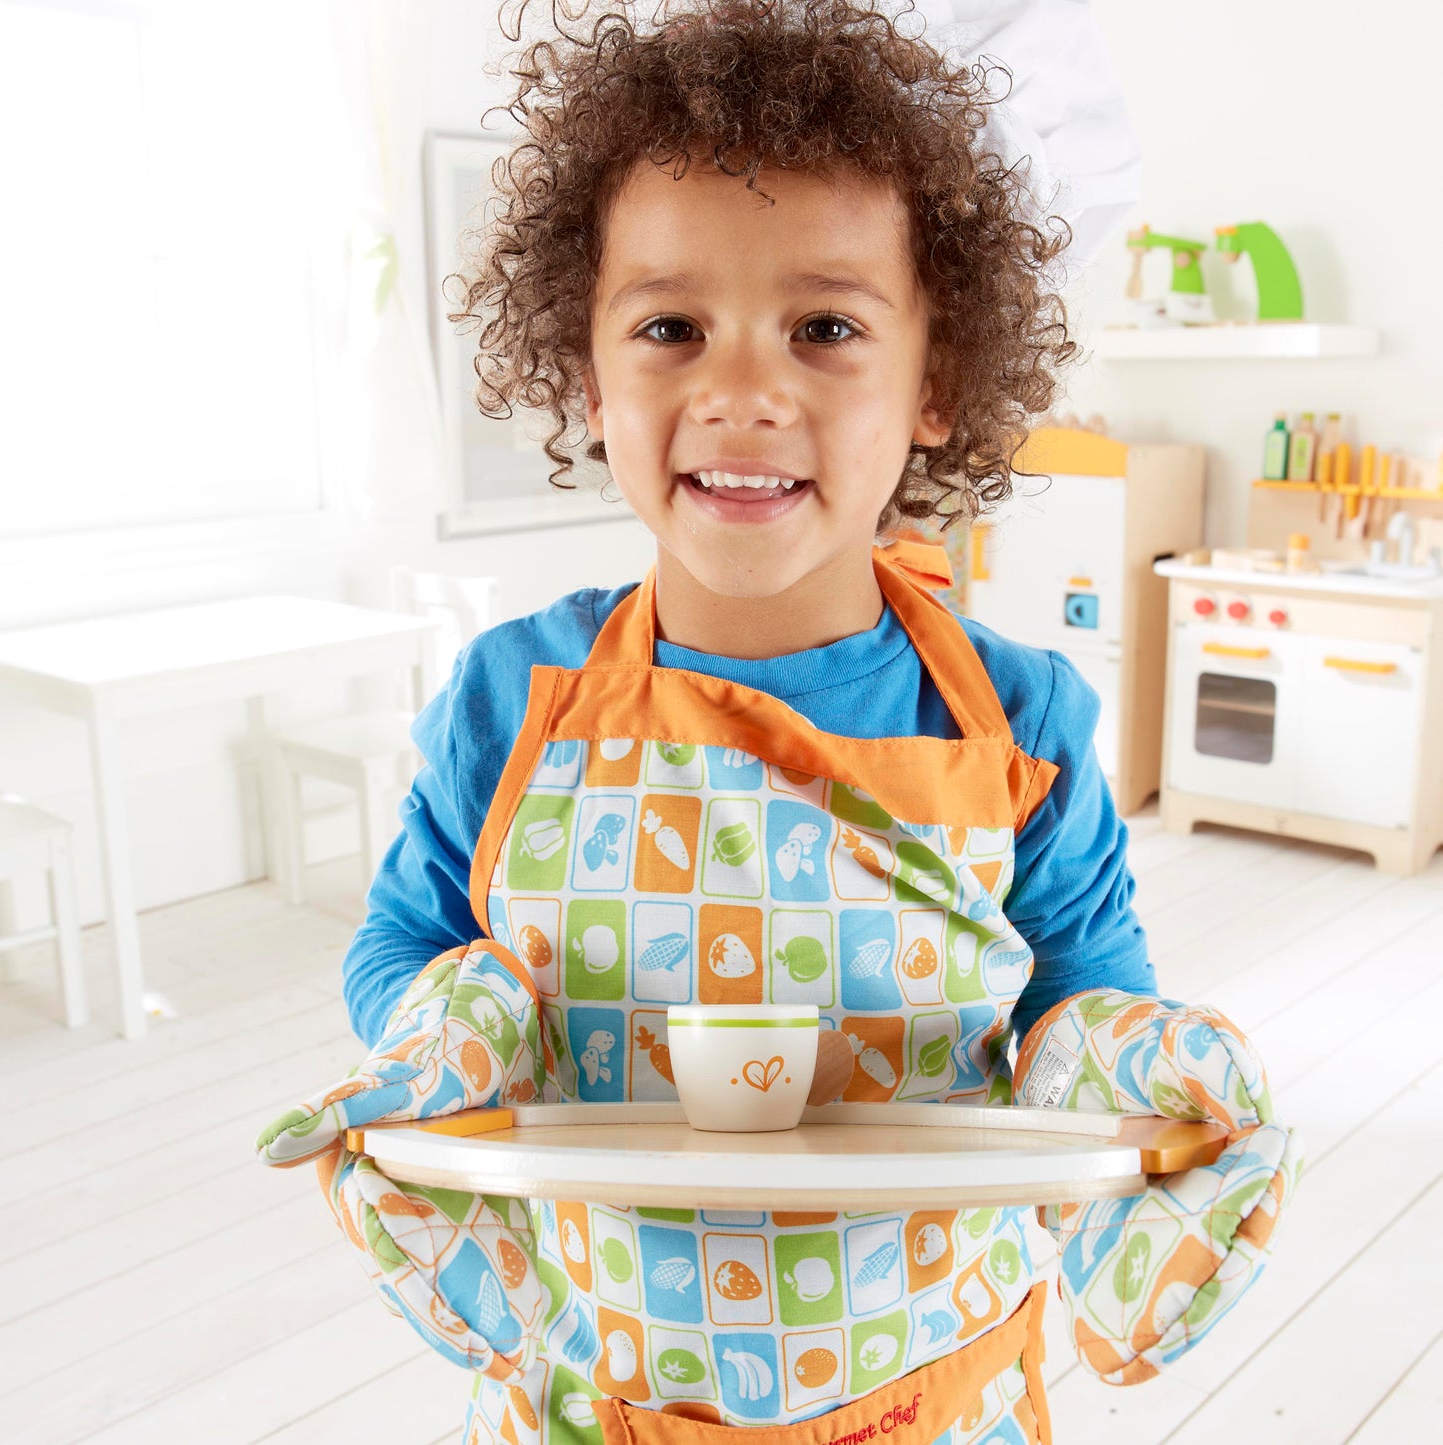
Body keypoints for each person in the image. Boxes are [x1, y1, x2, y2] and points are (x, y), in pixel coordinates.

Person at [257, 4, 1300, 1443]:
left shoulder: (1020, 716)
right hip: (589, 1400)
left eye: (824, 328)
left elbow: (1070, 988)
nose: (741, 390)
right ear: (586, 370)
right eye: (670, 325)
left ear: (936, 382)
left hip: (937, 1405)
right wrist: (453, 1018)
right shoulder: (511, 699)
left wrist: (1129, 1054)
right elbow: (401, 944)